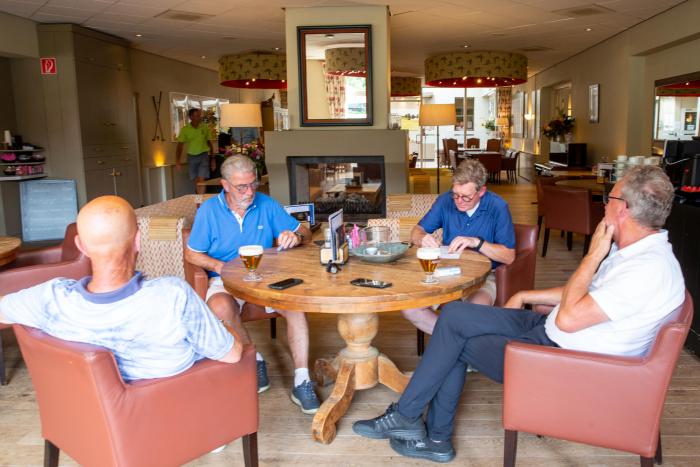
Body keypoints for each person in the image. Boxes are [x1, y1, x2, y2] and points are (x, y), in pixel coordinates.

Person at [353, 166, 685, 463]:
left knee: (451, 337)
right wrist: (525, 295)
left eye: (608, 198)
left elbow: (569, 318)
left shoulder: (646, 270)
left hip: (563, 361)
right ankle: (412, 421)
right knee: (454, 314)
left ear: (623, 209)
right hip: (551, 331)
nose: (604, 204)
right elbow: (583, 297)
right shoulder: (636, 253)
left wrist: (592, 256)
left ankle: (425, 432)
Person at [0, 195, 242, 383]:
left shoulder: (47, 298)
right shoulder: (173, 296)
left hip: (88, 419)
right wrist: (220, 325)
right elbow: (232, 354)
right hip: (176, 412)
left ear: (81, 246)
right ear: (138, 240)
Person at [185, 154, 321, 414]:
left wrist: (295, 236)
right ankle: (255, 360)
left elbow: (304, 230)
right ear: (225, 185)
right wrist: (220, 267)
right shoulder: (209, 211)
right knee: (220, 306)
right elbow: (192, 253)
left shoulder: (266, 204)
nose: (249, 192)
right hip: (225, 278)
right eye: (241, 187)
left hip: (268, 276)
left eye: (253, 184)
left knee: (295, 306)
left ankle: (302, 380)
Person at [403, 159, 516, 335]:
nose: (459, 201)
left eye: (466, 197)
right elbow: (416, 231)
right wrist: (422, 238)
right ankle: (455, 339)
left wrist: (477, 242)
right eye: (455, 194)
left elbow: (509, 256)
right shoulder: (445, 201)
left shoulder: (498, 207)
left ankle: (451, 340)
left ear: (482, 191)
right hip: (447, 272)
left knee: (471, 313)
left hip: (485, 277)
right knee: (410, 309)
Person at [175, 108, 215, 195]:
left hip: (203, 155)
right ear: (191, 117)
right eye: (196, 116)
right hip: (191, 157)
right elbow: (180, 146)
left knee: (201, 180)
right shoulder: (185, 129)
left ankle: (201, 201)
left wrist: (213, 159)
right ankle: (199, 199)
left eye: (199, 115)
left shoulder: (204, 127)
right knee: (196, 181)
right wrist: (177, 161)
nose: (199, 117)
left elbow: (209, 143)